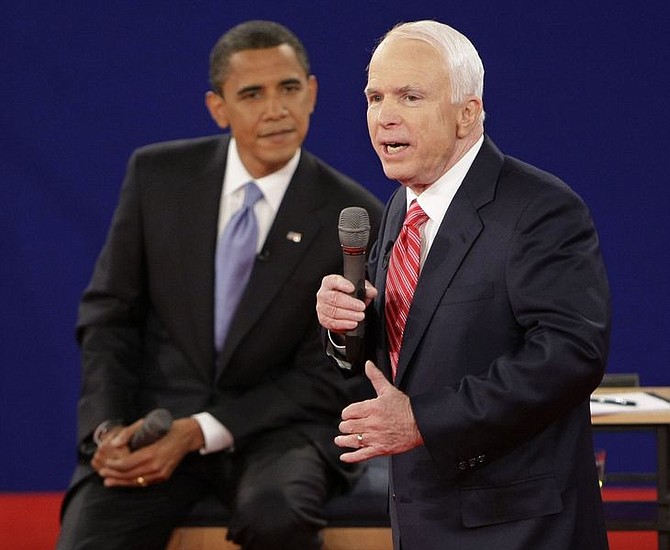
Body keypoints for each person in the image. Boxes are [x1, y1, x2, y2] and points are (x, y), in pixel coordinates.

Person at [57, 20, 382, 550]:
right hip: (159, 423)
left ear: (313, 92)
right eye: (252, 94)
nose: (276, 109)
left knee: (276, 518)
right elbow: (109, 317)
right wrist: (107, 430)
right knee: (92, 535)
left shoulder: (352, 217)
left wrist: (202, 430)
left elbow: (332, 375)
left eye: (289, 89)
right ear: (218, 107)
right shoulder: (156, 178)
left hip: (282, 432)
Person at [316, 20, 611, 550]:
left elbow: (571, 354)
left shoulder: (539, 209)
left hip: (519, 524)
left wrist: (422, 420)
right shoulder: (399, 211)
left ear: (467, 114)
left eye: (409, 96)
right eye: (374, 96)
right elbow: (408, 351)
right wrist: (346, 325)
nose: (384, 116)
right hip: (423, 515)